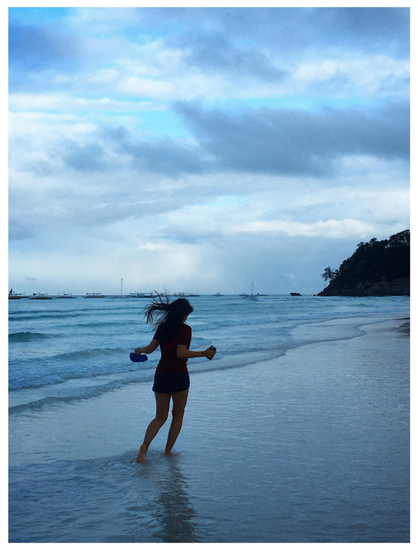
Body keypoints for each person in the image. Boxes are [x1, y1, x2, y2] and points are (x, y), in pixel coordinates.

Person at [134, 295, 216, 463]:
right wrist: (204, 353)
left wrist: (139, 350)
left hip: (161, 376)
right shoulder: (185, 329)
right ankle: (168, 452)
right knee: (177, 415)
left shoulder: (162, 327)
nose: (187, 318)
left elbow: (150, 349)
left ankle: (144, 447)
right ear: (182, 314)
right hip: (179, 376)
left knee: (160, 416)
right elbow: (181, 353)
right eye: (186, 315)